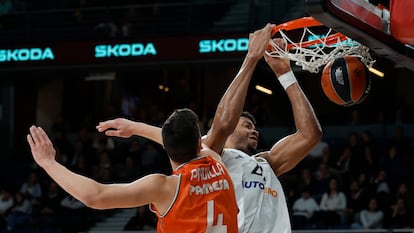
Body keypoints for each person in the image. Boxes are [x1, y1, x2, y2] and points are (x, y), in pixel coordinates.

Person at [97, 24, 322, 233]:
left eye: (254, 127)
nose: (254, 131)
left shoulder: (267, 163)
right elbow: (220, 125)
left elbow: (311, 135)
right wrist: (251, 58)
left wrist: (285, 74)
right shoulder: (213, 160)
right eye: (246, 125)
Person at [27, 108, 239, 233]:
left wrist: (48, 162)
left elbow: (95, 196)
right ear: (197, 143)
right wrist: (136, 128)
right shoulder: (216, 162)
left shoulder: (165, 187)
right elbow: (186, 145)